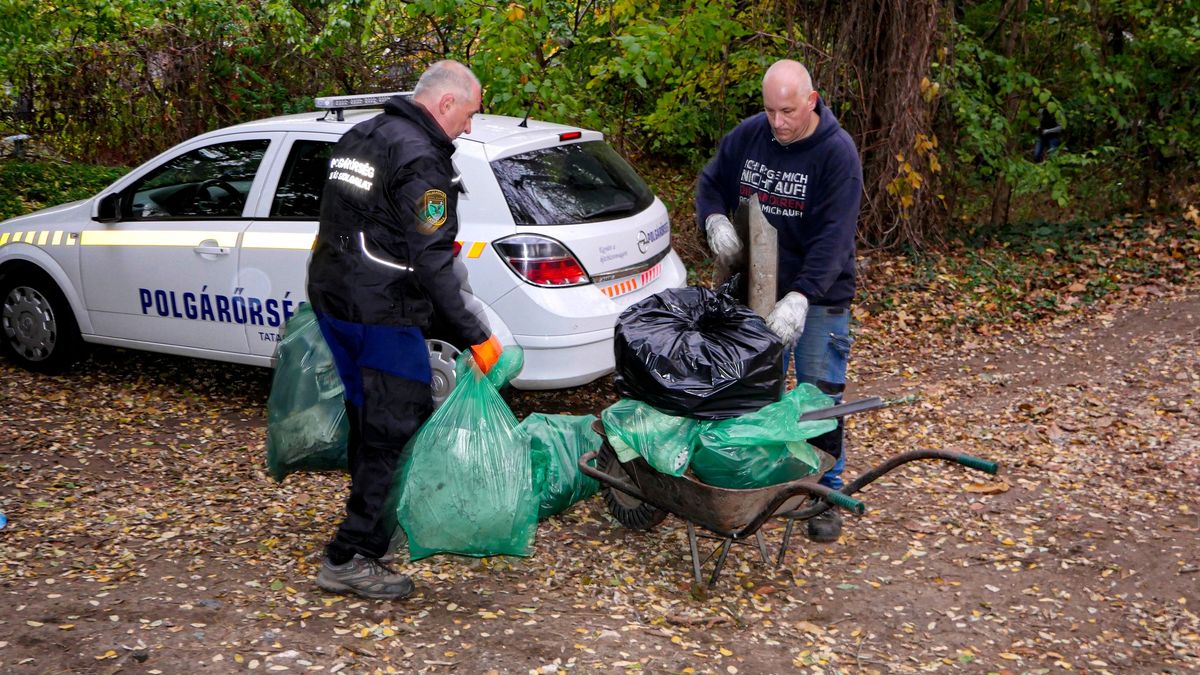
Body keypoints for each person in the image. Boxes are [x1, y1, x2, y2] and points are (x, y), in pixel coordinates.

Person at [306, 60, 503, 599]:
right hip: (379, 309)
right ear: (444, 105)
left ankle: (372, 519)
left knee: (370, 413)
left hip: (335, 296)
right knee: (395, 418)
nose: (468, 125)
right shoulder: (421, 160)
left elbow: (358, 218)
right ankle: (351, 554)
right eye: (467, 114)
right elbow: (431, 257)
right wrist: (474, 334)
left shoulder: (362, 134)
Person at [695, 59, 862, 543]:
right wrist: (714, 220)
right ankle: (762, 484)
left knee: (819, 400)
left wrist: (802, 296)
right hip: (756, 291)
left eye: (787, 111)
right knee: (756, 395)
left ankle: (825, 495)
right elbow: (711, 182)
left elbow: (833, 240)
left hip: (819, 298)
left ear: (811, 101)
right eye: (770, 111)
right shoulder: (751, 136)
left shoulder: (836, 155)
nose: (778, 122)